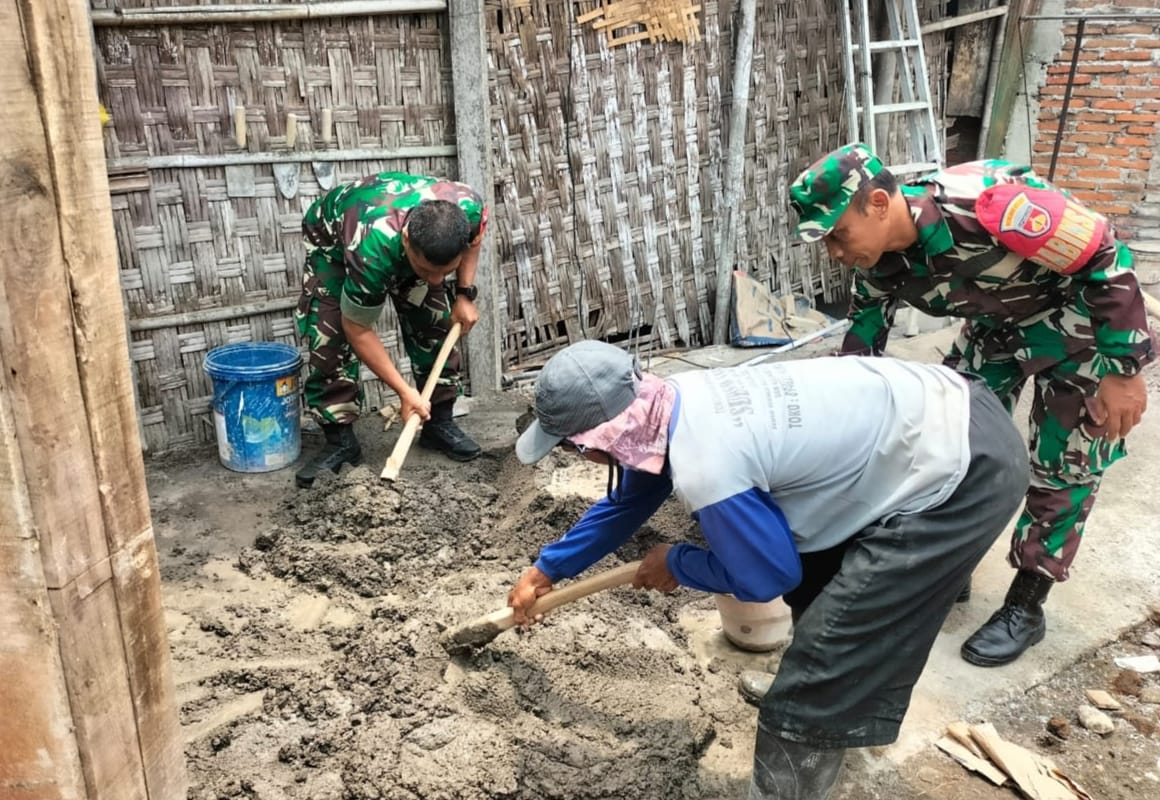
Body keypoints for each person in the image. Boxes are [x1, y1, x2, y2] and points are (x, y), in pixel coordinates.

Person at [508, 340, 1028, 800]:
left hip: (960, 467)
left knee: (834, 649)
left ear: (601, 438)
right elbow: (631, 499)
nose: (580, 458)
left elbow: (767, 579)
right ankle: (824, 712)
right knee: (821, 577)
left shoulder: (709, 462)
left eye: (573, 447)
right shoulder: (671, 398)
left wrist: (679, 562)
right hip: (935, 407)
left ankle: (802, 744)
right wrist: (547, 568)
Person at [789, 144, 1153, 666]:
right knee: (950, 446)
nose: (835, 253)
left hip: (1078, 331)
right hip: (996, 333)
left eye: (837, 235)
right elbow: (862, 345)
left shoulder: (986, 206)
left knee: (1063, 466)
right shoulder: (878, 268)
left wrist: (1125, 371)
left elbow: (1105, 255)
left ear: (877, 203)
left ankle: (1027, 605)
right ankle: (950, 565)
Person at [294, 172, 487, 488]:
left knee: (436, 325)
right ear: (408, 239)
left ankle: (438, 424)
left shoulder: (467, 208)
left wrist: (464, 293)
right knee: (329, 338)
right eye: (427, 270)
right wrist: (403, 391)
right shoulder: (371, 248)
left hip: (400, 236)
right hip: (334, 240)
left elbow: (475, 241)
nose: (437, 281)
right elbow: (358, 329)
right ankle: (340, 440)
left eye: (445, 272)